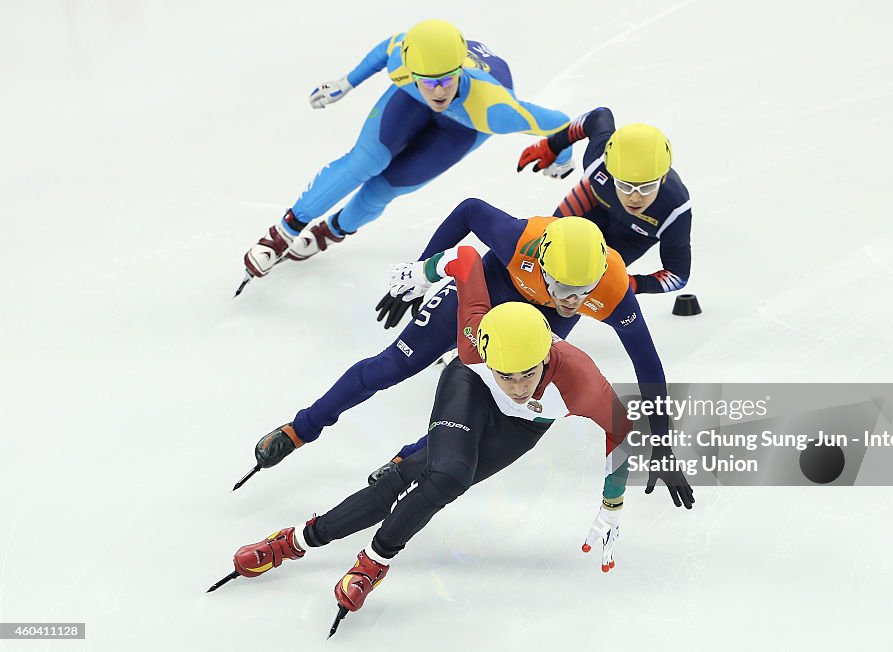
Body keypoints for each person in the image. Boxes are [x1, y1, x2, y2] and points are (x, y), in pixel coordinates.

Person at [217, 247, 693, 624]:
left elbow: (622, 435)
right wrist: (421, 273)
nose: (517, 384)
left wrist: (612, 507)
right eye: (506, 374)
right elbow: (465, 260)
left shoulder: (581, 381)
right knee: (447, 477)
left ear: (548, 356)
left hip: (521, 426)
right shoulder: (472, 335)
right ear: (484, 347)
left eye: (528, 374)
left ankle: (336, 544)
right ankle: (314, 549)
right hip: (467, 384)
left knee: (411, 479)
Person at [248, 206, 690, 506]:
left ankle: (410, 459)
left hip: (539, 328)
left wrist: (663, 441)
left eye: (582, 293)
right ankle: (300, 428)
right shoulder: (521, 239)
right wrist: (420, 273)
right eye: (562, 288)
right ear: (542, 265)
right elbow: (470, 209)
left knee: (504, 402)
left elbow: (648, 366)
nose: (571, 300)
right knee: (391, 366)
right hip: (484, 294)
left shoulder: (614, 292)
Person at [239, 19, 574, 289]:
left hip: (466, 122)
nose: (439, 91)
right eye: (428, 82)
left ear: (460, 71)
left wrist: (560, 155)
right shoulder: (404, 64)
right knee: (366, 160)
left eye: (447, 80)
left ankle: (331, 231)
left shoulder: (495, 110)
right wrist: (345, 83)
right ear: (412, 73)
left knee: (384, 188)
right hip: (413, 101)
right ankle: (283, 233)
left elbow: (561, 123)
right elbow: (390, 46)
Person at [517, 109, 692, 295]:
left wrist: (633, 284)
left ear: (663, 178)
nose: (634, 198)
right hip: (593, 202)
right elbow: (599, 115)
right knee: (547, 251)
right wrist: (553, 145)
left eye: (646, 187)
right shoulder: (597, 159)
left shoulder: (675, 210)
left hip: (632, 237)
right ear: (610, 172)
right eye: (624, 185)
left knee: (581, 279)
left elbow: (677, 275)